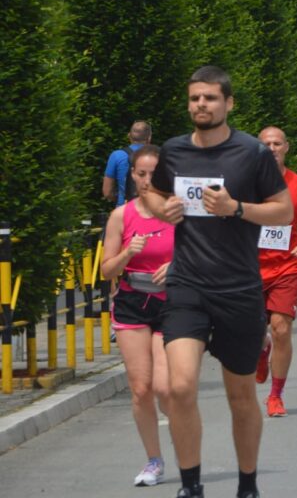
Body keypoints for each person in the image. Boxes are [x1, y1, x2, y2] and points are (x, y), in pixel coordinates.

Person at [143, 65, 293, 498]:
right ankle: (192, 486)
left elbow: (282, 211)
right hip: (187, 283)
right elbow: (149, 193)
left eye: (209, 98)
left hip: (238, 287)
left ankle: (247, 485)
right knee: (179, 385)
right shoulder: (173, 150)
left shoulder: (251, 153)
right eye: (194, 98)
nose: (201, 105)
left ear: (228, 103)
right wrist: (162, 206)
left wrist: (236, 208)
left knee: (240, 395)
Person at [100, 144, 173, 487]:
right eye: (141, 174)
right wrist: (129, 251)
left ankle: (184, 427)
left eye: (153, 175)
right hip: (132, 302)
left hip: (172, 304)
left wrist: (175, 265)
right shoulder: (121, 216)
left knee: (165, 388)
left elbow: (202, 256)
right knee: (142, 389)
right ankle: (153, 460)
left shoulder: (179, 212)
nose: (147, 181)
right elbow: (105, 270)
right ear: (131, 175)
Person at [253, 127, 297, 418]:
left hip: (287, 266)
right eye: (266, 144)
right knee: (255, 332)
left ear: (286, 147)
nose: (271, 148)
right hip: (250, 268)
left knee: (281, 327)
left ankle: (276, 395)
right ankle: (261, 349)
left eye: (277, 143)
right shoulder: (245, 183)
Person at [103, 120, 152, 207]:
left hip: (124, 209)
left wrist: (120, 199)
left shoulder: (116, 156)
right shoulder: (156, 156)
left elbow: (107, 192)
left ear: (129, 135)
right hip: (150, 209)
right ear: (149, 138)